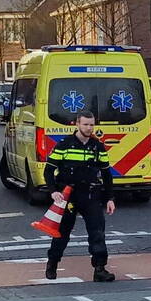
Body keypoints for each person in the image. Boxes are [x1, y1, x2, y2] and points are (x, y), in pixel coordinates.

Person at [43, 111, 116, 282]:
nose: (89, 128)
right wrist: (53, 191)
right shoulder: (64, 145)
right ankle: (53, 262)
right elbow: (48, 170)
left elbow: (106, 174)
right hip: (68, 195)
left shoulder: (98, 147)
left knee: (97, 231)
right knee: (62, 232)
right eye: (85, 124)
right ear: (77, 124)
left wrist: (110, 198)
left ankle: (99, 269)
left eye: (91, 125)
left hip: (90, 194)